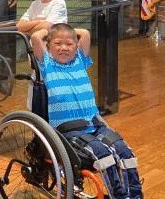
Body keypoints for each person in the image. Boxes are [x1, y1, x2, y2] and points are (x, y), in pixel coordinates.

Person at [31, 24, 143, 199]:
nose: (63, 48)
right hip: (68, 129)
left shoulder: (79, 61)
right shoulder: (47, 64)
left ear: (76, 47)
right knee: (102, 153)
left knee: (124, 151)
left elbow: (85, 33)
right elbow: (36, 37)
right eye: (58, 43)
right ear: (49, 47)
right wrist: (51, 28)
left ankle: (135, 195)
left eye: (69, 44)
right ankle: (119, 196)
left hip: (94, 124)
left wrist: (66, 33)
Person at [16, 0, 67, 109]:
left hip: (55, 62)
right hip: (36, 61)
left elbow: (47, 27)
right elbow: (20, 26)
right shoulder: (34, 5)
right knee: (36, 100)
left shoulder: (59, 3)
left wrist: (32, 24)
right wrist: (41, 21)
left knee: (55, 100)